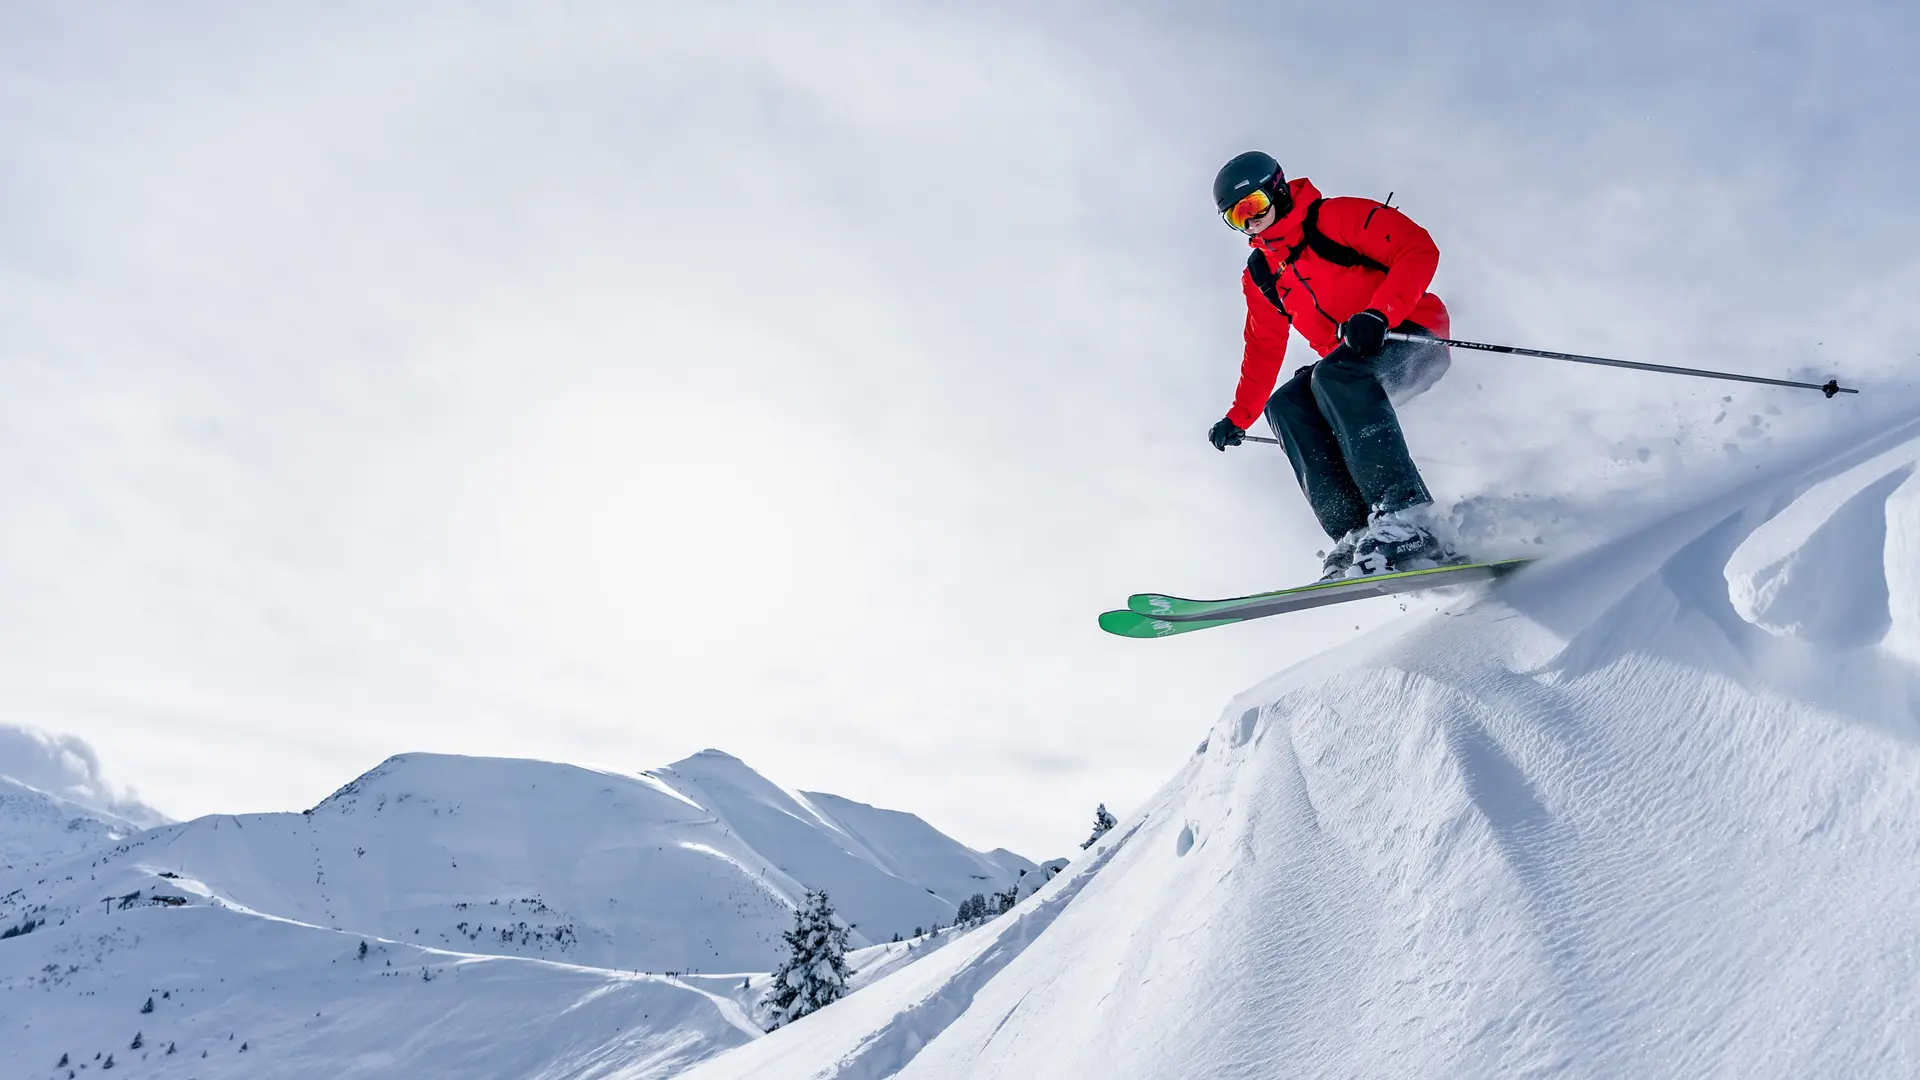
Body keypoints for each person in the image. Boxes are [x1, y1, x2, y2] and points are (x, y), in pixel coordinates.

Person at [1206, 150, 1459, 580]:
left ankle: (1409, 517)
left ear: (1278, 190)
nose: (1250, 223)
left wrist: (1380, 313)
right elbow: (1263, 346)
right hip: (1346, 372)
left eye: (1253, 207)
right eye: (1236, 217)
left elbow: (1417, 249)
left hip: (1410, 336)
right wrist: (1240, 416)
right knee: (1286, 404)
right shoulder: (1263, 274)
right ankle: (1358, 532)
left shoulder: (1335, 218)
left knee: (1333, 374)